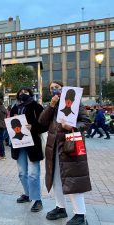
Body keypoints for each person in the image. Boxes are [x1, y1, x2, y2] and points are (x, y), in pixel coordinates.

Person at [38, 81, 91, 225]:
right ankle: (60, 207)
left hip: (70, 146)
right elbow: (42, 121)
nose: (54, 90)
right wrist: (51, 105)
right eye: (51, 88)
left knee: (73, 179)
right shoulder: (52, 105)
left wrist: (72, 126)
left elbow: (86, 122)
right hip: (54, 147)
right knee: (55, 178)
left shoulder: (75, 102)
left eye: (57, 87)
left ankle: (80, 215)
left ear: (64, 89)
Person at [10, 87, 46, 212]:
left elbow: (45, 125)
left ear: (30, 94)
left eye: (25, 92)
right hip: (19, 144)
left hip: (33, 145)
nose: (23, 94)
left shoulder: (36, 106)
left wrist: (33, 127)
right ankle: (27, 194)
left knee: (33, 174)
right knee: (22, 173)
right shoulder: (14, 108)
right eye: (20, 92)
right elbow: (9, 125)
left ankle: (37, 200)